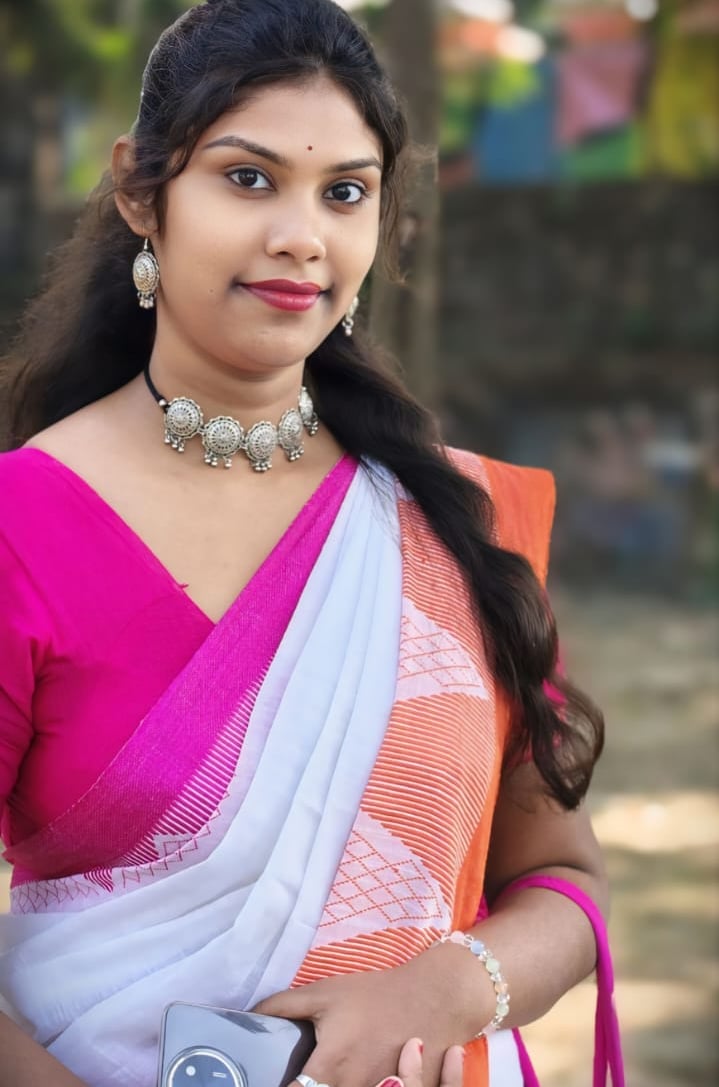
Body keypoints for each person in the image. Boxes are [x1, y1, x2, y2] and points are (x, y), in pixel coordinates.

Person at [0, 2, 608, 1085]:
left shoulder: (451, 520)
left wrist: (442, 987)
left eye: (344, 192)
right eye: (248, 178)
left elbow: (561, 879)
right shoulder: (24, 528)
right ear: (140, 191)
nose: (301, 236)